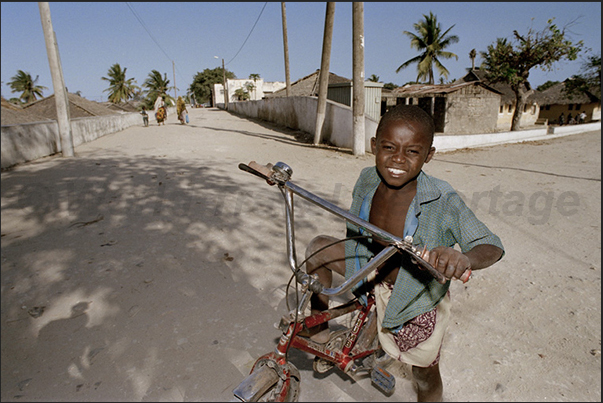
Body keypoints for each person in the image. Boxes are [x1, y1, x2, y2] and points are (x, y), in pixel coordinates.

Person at [298, 105, 504, 402]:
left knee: (423, 373)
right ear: (374, 146)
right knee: (318, 247)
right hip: (367, 266)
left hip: (413, 293)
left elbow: (491, 244)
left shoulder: (441, 198)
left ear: (428, 155)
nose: (397, 159)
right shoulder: (367, 178)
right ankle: (319, 331)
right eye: (389, 148)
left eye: (412, 152)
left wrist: (465, 258)